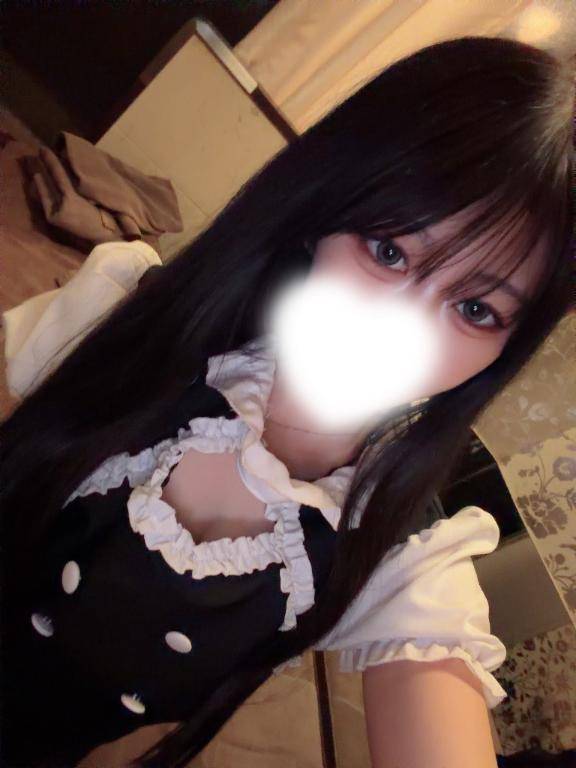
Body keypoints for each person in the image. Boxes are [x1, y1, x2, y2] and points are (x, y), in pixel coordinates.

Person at [0, 35, 574, 768]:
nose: (398, 329)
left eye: (476, 310)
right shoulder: (131, 312)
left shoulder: (397, 557)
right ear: (326, 211)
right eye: (389, 251)